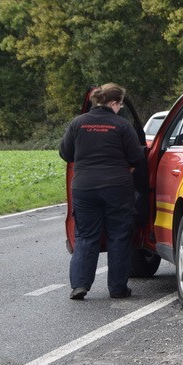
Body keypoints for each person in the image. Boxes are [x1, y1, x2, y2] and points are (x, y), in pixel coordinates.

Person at [59, 83, 145, 301]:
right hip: (117, 187)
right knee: (119, 236)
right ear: (114, 103)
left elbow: (65, 153)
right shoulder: (122, 125)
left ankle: (79, 285)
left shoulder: (78, 123)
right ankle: (117, 289)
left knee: (86, 236)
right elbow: (137, 157)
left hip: (85, 187)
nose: (121, 108)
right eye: (120, 104)